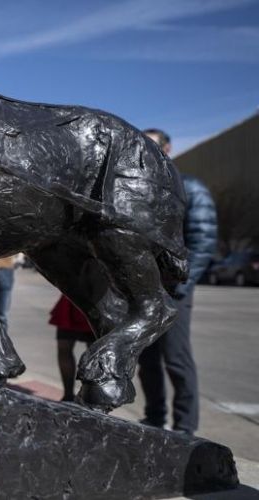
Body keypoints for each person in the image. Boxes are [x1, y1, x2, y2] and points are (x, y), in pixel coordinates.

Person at [137, 128, 217, 436]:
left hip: (175, 288)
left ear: (167, 149)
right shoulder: (139, 189)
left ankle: (185, 427)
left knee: (176, 358)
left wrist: (181, 284)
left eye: (153, 146)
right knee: (147, 359)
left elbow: (204, 239)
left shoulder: (191, 188)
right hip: (144, 288)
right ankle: (154, 418)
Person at [49, 295, 95, 402]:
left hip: (93, 302)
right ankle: (70, 395)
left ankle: (87, 396)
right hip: (72, 302)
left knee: (95, 354)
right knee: (65, 348)